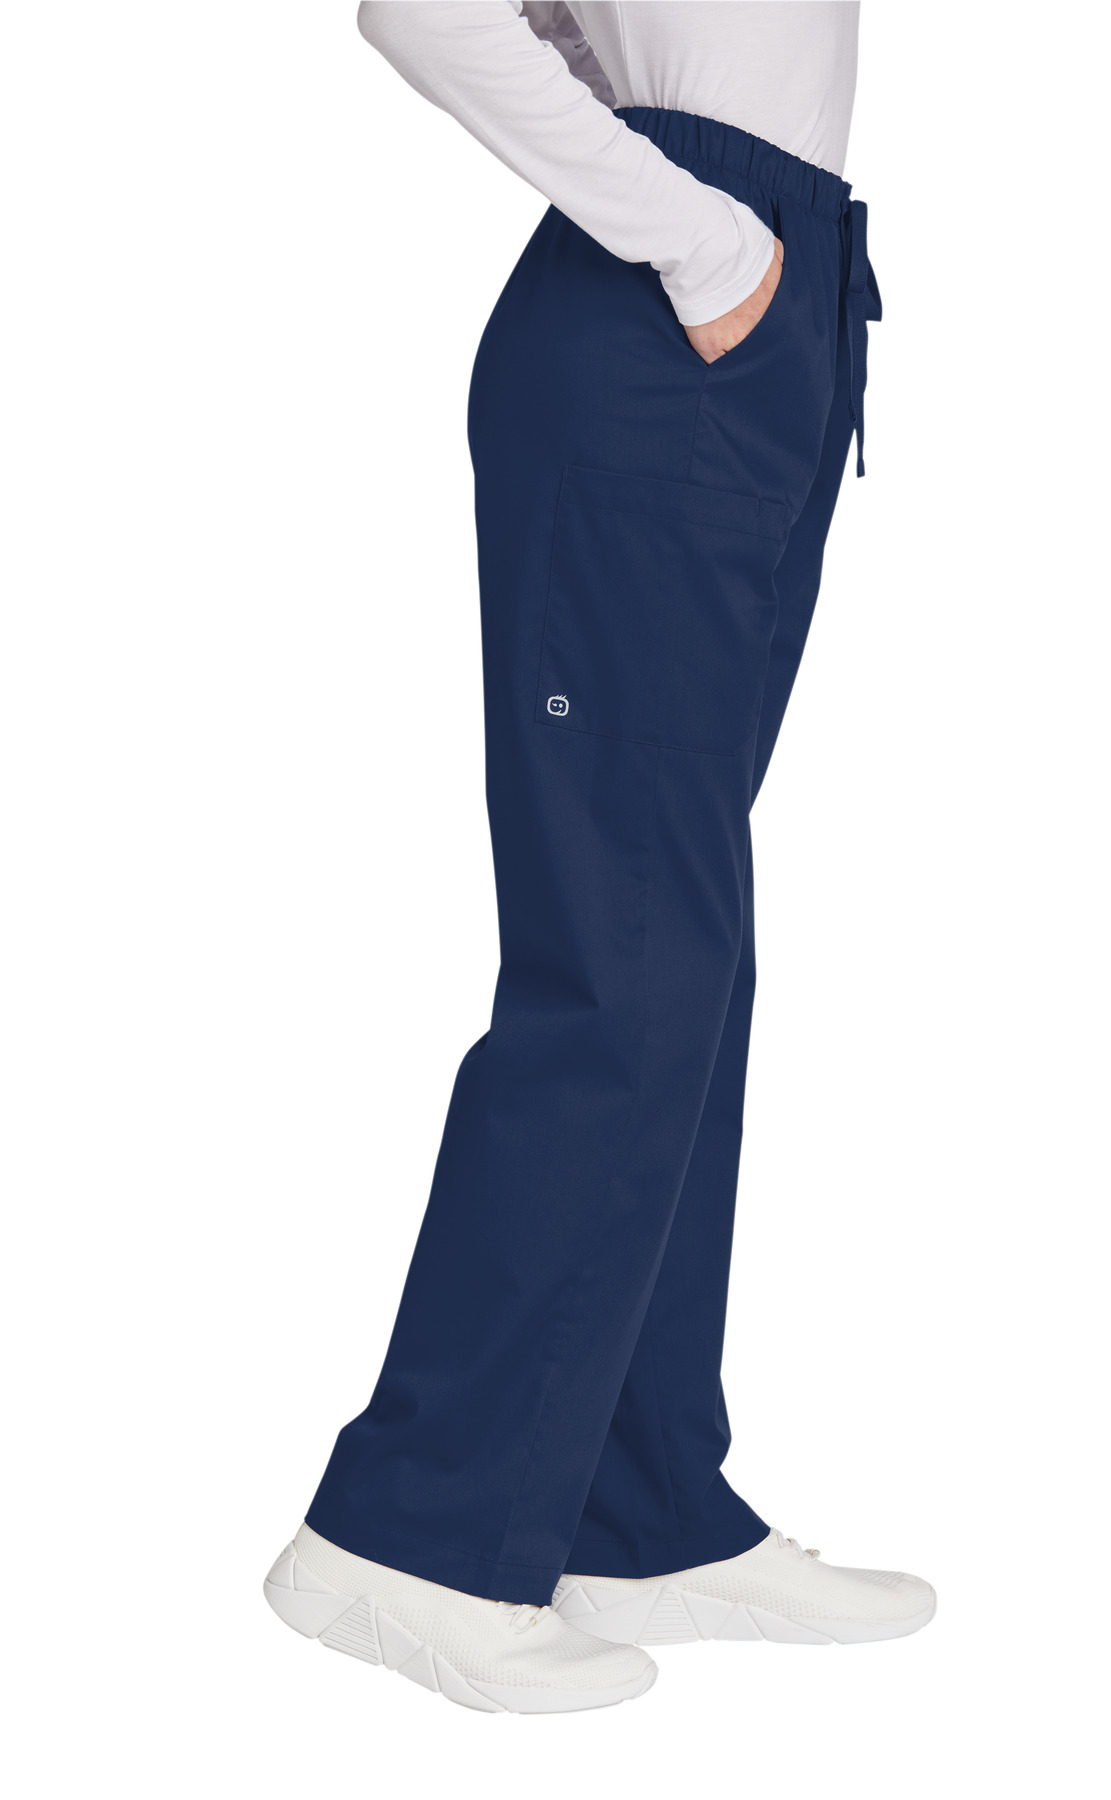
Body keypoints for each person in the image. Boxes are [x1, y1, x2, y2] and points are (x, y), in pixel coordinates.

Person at [264, 1, 933, 1714]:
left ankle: (637, 1508)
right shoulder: (694, 241)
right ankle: (406, 1537)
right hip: (679, 308)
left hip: (770, 299)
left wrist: (735, 240)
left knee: (685, 947)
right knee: (627, 949)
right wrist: (698, 232)